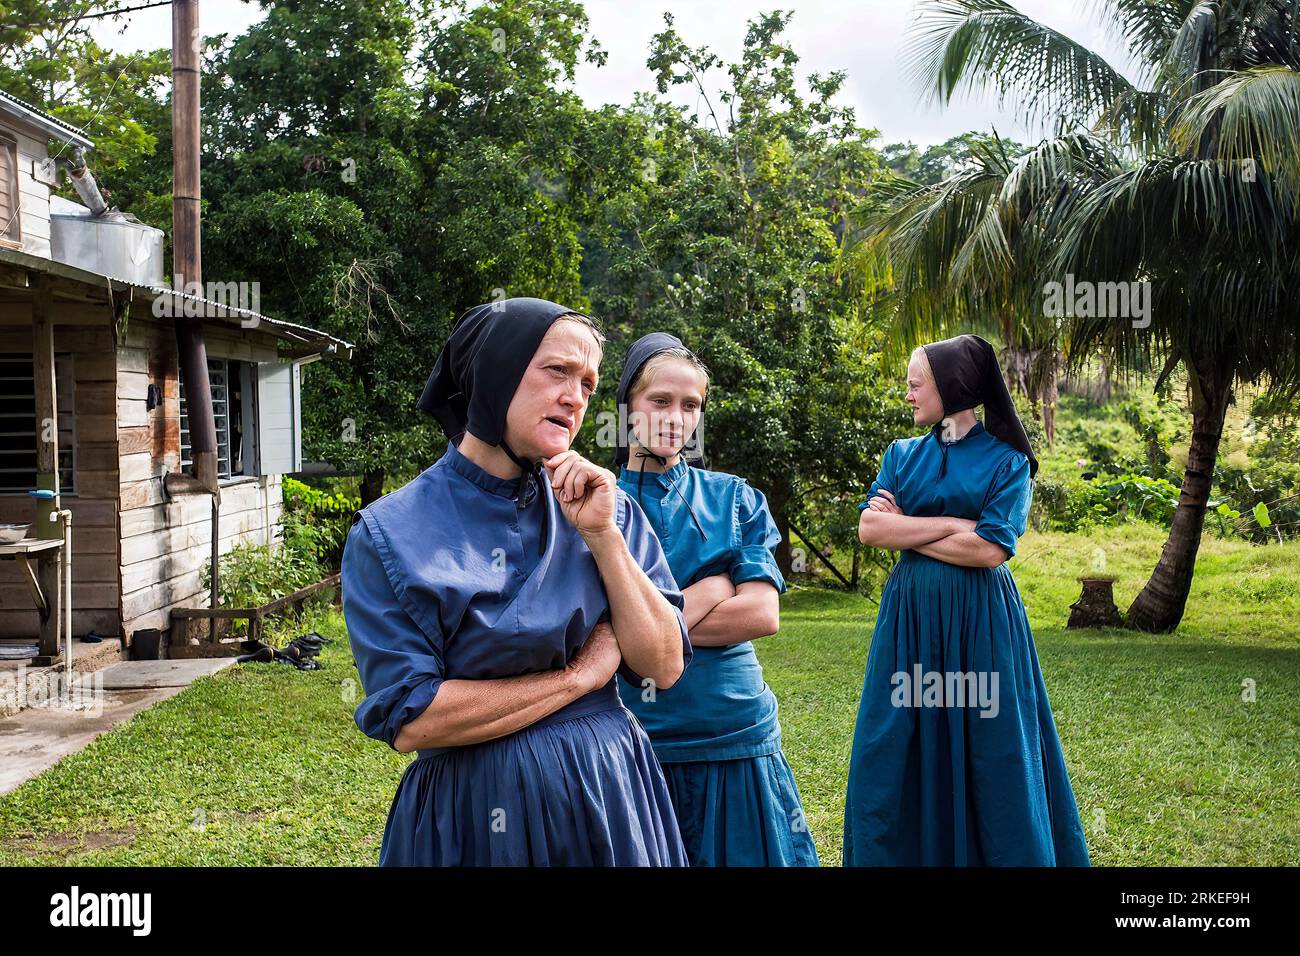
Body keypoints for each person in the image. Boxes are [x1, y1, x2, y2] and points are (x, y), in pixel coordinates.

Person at [342, 297, 693, 866]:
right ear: (495, 372)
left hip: (608, 795)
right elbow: (414, 719)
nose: (575, 397)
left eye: (587, 383)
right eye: (557, 371)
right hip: (476, 817)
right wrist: (579, 677)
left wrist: (604, 538)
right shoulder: (390, 533)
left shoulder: (608, 509)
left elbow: (664, 664)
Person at [843, 333, 1090, 866]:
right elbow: (869, 529)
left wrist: (906, 525)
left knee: (992, 749)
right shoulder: (901, 454)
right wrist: (955, 523)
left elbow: (989, 550)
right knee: (886, 751)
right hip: (909, 622)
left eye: (916, 384)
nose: (908, 394)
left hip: (980, 623)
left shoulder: (1008, 461)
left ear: (950, 387)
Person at [612, 332, 819, 867]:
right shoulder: (593, 505)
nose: (676, 417)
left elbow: (762, 614)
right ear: (627, 407)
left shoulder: (735, 498)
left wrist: (642, 624)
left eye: (691, 405)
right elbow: (593, 629)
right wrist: (713, 587)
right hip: (630, 738)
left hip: (733, 732)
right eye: (660, 400)